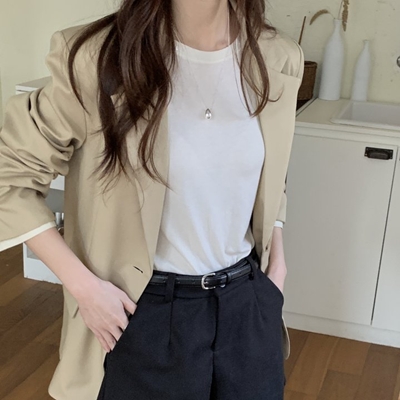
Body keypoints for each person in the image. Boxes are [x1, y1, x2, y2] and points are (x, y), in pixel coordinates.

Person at [0, 0, 304, 398]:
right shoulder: (98, 57)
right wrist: (84, 288)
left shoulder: (278, 56)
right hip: (142, 313)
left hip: (245, 305)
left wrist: (276, 264)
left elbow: (271, 173)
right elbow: (9, 175)